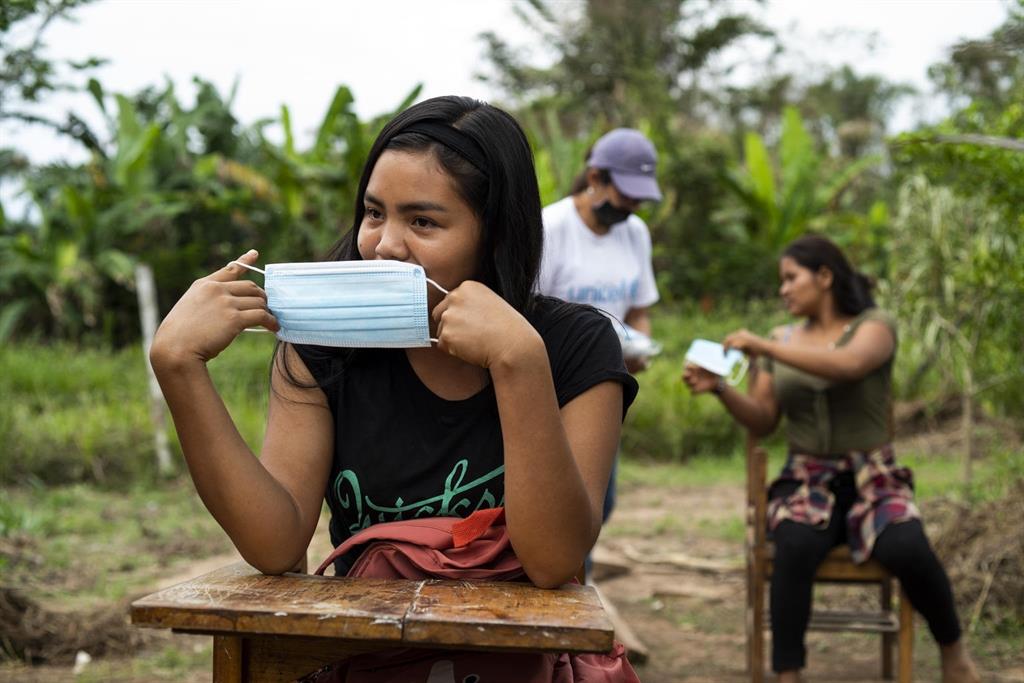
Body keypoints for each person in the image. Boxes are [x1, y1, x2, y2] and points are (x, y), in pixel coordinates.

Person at [149, 95, 638, 601]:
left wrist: (519, 362)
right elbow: (275, 543)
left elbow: (554, 561)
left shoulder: (575, 346)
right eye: (374, 213)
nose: (385, 244)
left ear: (495, 235)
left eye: (423, 222)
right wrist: (179, 367)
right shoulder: (324, 344)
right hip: (371, 649)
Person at [681, 234, 980, 683]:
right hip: (807, 479)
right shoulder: (780, 339)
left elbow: (849, 366)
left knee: (908, 547)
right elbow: (763, 420)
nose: (783, 289)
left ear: (825, 276)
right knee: (795, 546)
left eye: (790, 278)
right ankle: (788, 674)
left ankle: (953, 652)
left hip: (873, 478)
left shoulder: (874, 325)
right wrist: (722, 390)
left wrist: (764, 348)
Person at [536, 128, 662, 545]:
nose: (631, 205)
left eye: (638, 198)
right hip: (552, 391)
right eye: (625, 194)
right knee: (557, 504)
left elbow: (639, 310)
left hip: (604, 391)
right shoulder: (550, 228)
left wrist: (640, 346)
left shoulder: (636, 233)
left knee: (599, 503)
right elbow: (525, 316)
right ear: (595, 178)